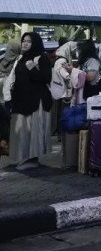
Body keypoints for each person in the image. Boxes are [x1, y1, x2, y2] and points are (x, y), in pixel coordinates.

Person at [7, 33, 53, 170]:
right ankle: (23, 157)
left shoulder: (42, 57)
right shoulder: (21, 58)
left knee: (33, 131)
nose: (25, 43)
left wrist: (32, 67)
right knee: (21, 131)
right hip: (21, 101)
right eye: (24, 41)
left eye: (29, 41)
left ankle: (33, 159)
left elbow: (46, 78)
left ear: (36, 43)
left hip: (36, 102)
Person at [0, 40, 21, 156]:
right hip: (10, 97)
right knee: (9, 121)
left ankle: (4, 143)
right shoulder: (18, 62)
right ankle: (5, 144)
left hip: (7, 97)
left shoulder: (4, 62)